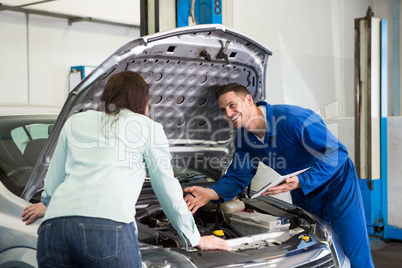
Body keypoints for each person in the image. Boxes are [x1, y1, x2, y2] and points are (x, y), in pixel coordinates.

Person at [21, 71, 230, 268]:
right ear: (143, 101)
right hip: (106, 229)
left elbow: (54, 177)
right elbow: (166, 187)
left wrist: (48, 203)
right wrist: (194, 238)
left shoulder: (76, 121)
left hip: (54, 230)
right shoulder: (147, 127)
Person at [183, 83, 374, 268]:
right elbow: (237, 177)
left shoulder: (295, 119)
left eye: (232, 105)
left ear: (249, 100)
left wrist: (302, 180)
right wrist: (210, 193)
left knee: (353, 246)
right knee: (312, 245)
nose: (228, 113)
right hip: (302, 190)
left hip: (337, 183)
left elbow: (337, 153)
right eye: (223, 110)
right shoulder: (244, 139)